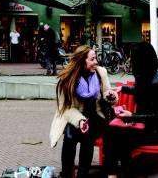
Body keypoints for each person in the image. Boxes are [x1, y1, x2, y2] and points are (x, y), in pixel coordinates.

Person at [103, 42, 158, 178]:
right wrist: (123, 89)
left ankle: (120, 173)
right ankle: (113, 174)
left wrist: (132, 116)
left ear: (141, 60)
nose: (130, 60)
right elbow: (146, 92)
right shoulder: (148, 74)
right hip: (147, 126)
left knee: (119, 139)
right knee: (111, 133)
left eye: (132, 57)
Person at [49, 45, 118, 178]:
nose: (96, 62)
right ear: (82, 61)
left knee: (88, 134)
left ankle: (82, 174)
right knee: (69, 136)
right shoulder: (68, 80)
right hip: (75, 117)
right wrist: (80, 120)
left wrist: (111, 96)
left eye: (96, 58)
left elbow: (106, 93)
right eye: (92, 59)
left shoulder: (100, 73)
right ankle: (67, 173)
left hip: (97, 116)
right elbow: (66, 108)